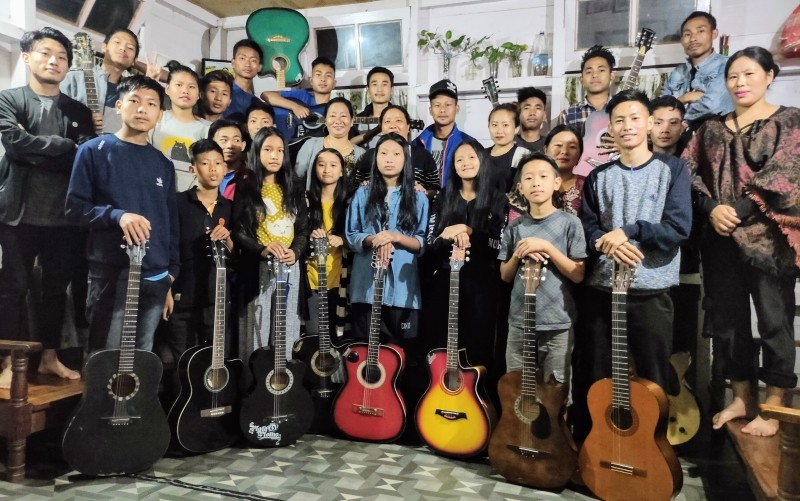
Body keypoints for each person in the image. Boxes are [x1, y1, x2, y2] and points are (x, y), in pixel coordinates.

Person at [682, 47, 799, 437]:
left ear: (769, 76)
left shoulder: (790, 122)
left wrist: (739, 210)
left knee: (774, 321)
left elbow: (787, 174)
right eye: (733, 76)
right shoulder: (710, 129)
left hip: (769, 244)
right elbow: (688, 172)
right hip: (719, 241)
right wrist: (712, 207)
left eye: (749, 74)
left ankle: (775, 406)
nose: (740, 83)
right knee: (729, 322)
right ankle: (742, 397)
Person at [573, 89, 692, 443]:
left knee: (653, 379)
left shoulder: (673, 170)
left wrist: (630, 232)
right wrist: (605, 241)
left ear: (650, 124)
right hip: (602, 290)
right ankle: (592, 447)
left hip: (650, 290)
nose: (627, 126)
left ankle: (652, 452)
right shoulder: (598, 176)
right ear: (609, 127)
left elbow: (678, 228)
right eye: (619, 120)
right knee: (594, 375)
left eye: (635, 118)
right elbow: (589, 226)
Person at [0, 27, 95, 387]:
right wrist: (61, 144)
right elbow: (14, 144)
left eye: (61, 56)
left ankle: (49, 358)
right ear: (27, 57)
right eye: (45, 53)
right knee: (13, 289)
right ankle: (9, 361)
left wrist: (35, 148)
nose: (53, 61)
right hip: (16, 214)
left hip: (64, 218)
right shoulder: (8, 99)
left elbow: (82, 158)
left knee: (57, 292)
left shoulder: (79, 111)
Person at [66, 75, 179, 352]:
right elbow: (74, 208)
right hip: (111, 273)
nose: (143, 109)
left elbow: (170, 224)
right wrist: (118, 216)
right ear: (118, 106)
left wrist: (170, 276)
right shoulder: (93, 150)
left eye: (152, 104)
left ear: (159, 114)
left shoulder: (163, 163)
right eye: (135, 101)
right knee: (104, 358)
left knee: (140, 361)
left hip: (155, 278)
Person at [423, 138, 507, 403]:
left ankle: (478, 407)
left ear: (482, 161)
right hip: (445, 283)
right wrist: (448, 237)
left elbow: (501, 244)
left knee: (478, 347)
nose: (465, 163)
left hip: (483, 285)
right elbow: (429, 243)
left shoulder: (498, 199)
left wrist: (470, 231)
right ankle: (439, 402)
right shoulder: (443, 197)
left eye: (471, 157)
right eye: (459, 159)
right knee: (441, 345)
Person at [498, 153, 586, 386]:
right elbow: (505, 276)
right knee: (516, 393)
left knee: (555, 395)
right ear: (521, 188)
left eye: (543, 176)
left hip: (557, 323)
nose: (536, 182)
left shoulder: (570, 223)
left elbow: (578, 274)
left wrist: (546, 247)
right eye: (529, 178)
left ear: (556, 183)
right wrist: (518, 253)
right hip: (519, 322)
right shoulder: (514, 227)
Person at [231, 126, 308, 360]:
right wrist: (262, 250)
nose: (275, 156)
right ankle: (253, 390)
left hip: (289, 268)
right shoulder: (245, 186)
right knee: (255, 336)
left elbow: (303, 229)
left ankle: (283, 389)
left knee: (288, 332)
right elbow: (239, 231)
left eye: (280, 150)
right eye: (268, 149)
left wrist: (295, 252)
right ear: (257, 152)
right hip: (257, 268)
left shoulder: (294, 187)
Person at [345, 132, 428, 344]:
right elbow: (351, 235)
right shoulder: (362, 194)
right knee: (364, 353)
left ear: (405, 159)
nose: (389, 159)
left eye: (396, 154)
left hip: (403, 290)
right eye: (383, 153)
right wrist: (375, 239)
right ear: (375, 158)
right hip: (365, 288)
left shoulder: (419, 197)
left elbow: (421, 242)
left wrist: (396, 237)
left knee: (399, 357)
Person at [162, 139, 233, 365]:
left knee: (214, 362)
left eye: (218, 163)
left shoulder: (231, 207)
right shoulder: (177, 202)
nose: (213, 169)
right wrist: (167, 291)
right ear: (193, 169)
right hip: (183, 296)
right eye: (205, 163)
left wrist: (228, 238)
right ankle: (181, 401)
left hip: (218, 300)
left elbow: (238, 255)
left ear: (225, 167)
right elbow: (167, 247)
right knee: (182, 362)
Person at [303, 148, 350, 341]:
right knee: (314, 337)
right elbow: (296, 235)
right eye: (321, 165)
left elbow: (359, 235)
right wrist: (308, 237)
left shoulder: (350, 201)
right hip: (312, 277)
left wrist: (343, 239)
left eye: (333, 165)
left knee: (337, 338)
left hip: (340, 279)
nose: (326, 170)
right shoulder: (305, 200)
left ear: (342, 171)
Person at [61, 27, 139, 134]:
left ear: (133, 61)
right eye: (117, 42)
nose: (123, 48)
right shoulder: (74, 78)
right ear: (104, 47)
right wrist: (80, 119)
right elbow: (53, 116)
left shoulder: (133, 95)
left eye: (130, 48)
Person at [663, 11, 734, 126]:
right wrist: (687, 97)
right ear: (682, 40)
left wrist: (675, 115)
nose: (693, 39)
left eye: (700, 31)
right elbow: (662, 109)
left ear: (714, 33)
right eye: (687, 34)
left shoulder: (727, 66)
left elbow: (711, 106)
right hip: (681, 140)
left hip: (714, 136)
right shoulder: (677, 72)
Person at [151, 60, 210, 192]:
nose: (185, 91)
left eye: (191, 86)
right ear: (167, 89)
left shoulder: (208, 129)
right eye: (178, 85)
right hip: (155, 192)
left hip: (191, 198)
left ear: (199, 94)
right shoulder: (156, 120)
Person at [354, 104, 439, 195]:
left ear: (408, 126)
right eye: (387, 121)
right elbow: (356, 185)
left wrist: (424, 192)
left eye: (398, 120)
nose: (393, 125)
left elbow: (434, 189)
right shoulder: (369, 156)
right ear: (381, 128)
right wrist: (363, 186)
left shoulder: (423, 156)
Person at [412, 79, 475, 187]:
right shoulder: (417, 144)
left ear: (457, 108)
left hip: (454, 202)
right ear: (430, 110)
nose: (442, 110)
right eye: (437, 105)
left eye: (448, 104)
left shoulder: (469, 144)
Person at [294, 97, 365, 190]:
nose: (338, 121)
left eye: (343, 116)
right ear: (326, 121)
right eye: (332, 116)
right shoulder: (311, 145)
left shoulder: (361, 154)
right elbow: (297, 180)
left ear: (352, 121)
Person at [261, 56, 336, 139]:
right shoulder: (302, 96)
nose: (323, 79)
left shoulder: (334, 111)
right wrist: (294, 107)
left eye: (328, 75)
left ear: (334, 83)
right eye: (318, 74)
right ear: (311, 81)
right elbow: (266, 95)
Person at [557, 45, 615, 132]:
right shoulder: (567, 114)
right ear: (581, 79)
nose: (595, 75)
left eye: (601, 70)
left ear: (612, 75)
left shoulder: (622, 109)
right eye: (589, 72)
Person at [487, 103, 531, 193]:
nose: (499, 131)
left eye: (505, 125)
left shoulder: (523, 155)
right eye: (494, 125)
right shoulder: (480, 155)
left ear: (516, 129)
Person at [546, 124, 585, 216]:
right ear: (545, 149)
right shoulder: (532, 181)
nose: (564, 151)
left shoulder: (588, 185)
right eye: (558, 145)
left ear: (580, 154)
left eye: (572, 147)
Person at [352, 66, 395, 147]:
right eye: (375, 84)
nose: (379, 89)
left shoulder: (400, 118)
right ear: (368, 90)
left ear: (392, 90)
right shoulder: (357, 121)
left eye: (384, 84)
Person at [223, 39, 263, 121]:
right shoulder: (223, 93)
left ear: (259, 67)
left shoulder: (256, 102)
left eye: (253, 60)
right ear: (233, 63)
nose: (247, 64)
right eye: (242, 58)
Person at [209, 119, 248, 199]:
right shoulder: (203, 174)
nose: (230, 146)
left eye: (236, 140)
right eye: (224, 140)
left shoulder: (249, 178)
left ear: (243, 145)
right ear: (211, 143)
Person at [516, 87, 548, 152]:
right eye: (527, 108)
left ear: (544, 115)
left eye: (538, 108)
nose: (532, 113)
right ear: (519, 112)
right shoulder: (509, 143)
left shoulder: (549, 145)